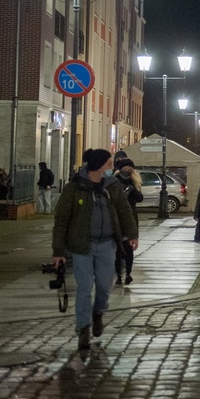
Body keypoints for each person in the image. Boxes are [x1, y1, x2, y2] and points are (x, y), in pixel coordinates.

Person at [51, 148, 139, 350]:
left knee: (104, 286)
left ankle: (98, 312)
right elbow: (61, 220)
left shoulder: (112, 185)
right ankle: (83, 329)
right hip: (82, 245)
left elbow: (124, 210)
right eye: (109, 163)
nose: (111, 166)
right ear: (98, 165)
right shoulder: (74, 188)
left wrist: (132, 234)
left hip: (107, 244)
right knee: (84, 288)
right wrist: (58, 252)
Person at [113, 159, 143, 285]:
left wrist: (133, 190)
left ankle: (128, 273)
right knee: (117, 249)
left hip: (130, 218)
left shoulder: (134, 182)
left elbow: (140, 198)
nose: (127, 171)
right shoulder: (114, 182)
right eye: (125, 169)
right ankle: (118, 275)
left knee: (128, 248)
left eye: (129, 170)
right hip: (116, 218)